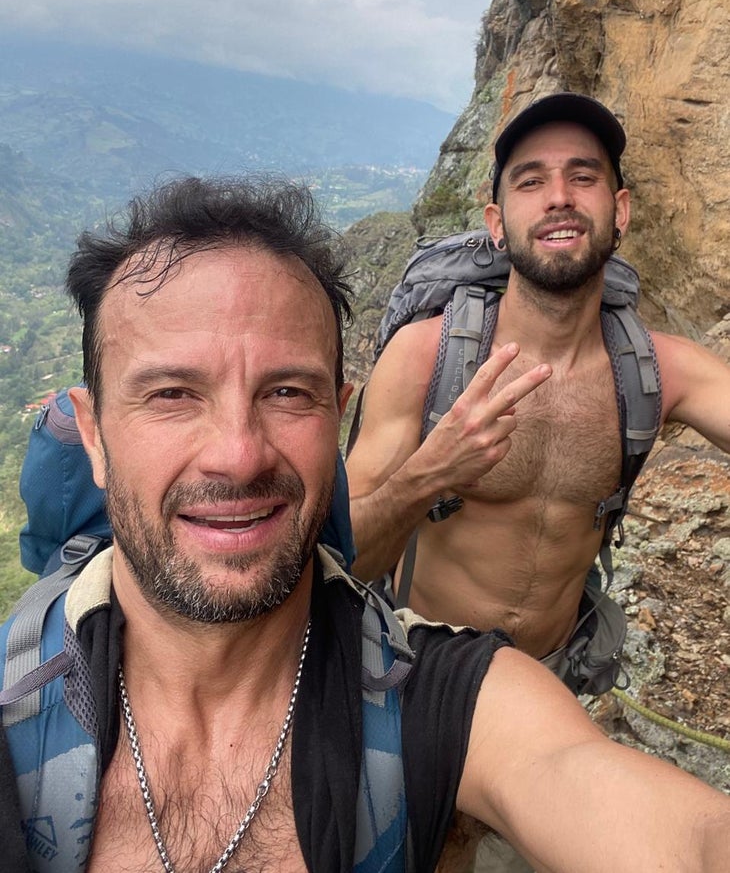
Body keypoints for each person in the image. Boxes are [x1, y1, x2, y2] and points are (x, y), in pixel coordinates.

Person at [0, 175, 727, 873]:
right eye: (172, 393)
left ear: (336, 413)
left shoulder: (445, 701)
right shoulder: (15, 712)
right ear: (94, 436)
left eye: (287, 391)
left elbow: (666, 829)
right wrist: (433, 472)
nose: (239, 453)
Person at [346, 92, 730, 661]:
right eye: (530, 182)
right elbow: (340, 558)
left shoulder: (661, 370)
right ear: (497, 225)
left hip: (554, 672)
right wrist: (428, 473)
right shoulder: (424, 356)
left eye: (583, 177)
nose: (558, 198)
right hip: (421, 671)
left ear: (619, 210)